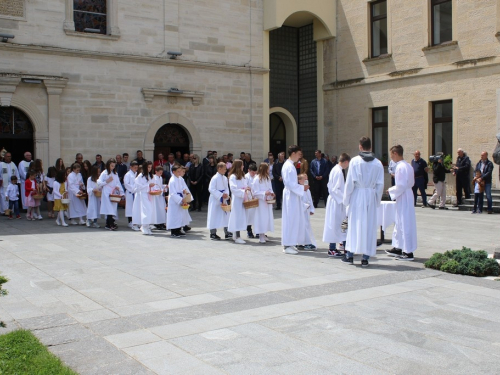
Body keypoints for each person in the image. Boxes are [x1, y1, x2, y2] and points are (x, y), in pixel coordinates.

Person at [342, 137, 384, 267]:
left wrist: (346, 200)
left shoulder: (354, 161)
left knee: (355, 224)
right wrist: (377, 200)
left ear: (360, 146)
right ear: (370, 147)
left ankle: (350, 255)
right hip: (370, 195)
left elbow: (349, 183)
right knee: (369, 226)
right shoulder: (378, 163)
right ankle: (365, 257)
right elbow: (380, 185)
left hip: (358, 194)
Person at [386, 145, 418, 261]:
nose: (391, 157)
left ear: (395, 153)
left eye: (391, 154)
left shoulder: (400, 167)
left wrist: (390, 190)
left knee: (404, 222)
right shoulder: (408, 165)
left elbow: (401, 185)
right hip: (406, 195)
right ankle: (398, 247)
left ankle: (408, 251)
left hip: (403, 195)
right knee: (399, 221)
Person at [281, 145, 308, 254]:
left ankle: (291, 243)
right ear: (293, 154)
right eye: (298, 154)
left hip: (293, 195)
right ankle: (287, 245)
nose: (299, 157)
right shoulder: (288, 166)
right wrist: (302, 188)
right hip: (290, 195)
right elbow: (290, 184)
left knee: (294, 219)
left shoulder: (291, 165)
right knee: (290, 219)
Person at [323, 153, 350, 258]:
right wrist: (344, 199)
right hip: (336, 201)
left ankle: (338, 246)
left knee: (337, 224)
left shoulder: (335, 169)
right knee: (336, 224)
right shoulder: (338, 171)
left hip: (334, 200)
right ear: (346, 162)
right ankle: (332, 248)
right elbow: (335, 189)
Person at [98, 158, 124, 230]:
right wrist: (107, 181)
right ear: (108, 165)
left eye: (114, 166)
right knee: (109, 208)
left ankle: (108, 224)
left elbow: (118, 183)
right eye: (111, 166)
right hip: (106, 192)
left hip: (113, 192)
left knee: (112, 208)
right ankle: (111, 224)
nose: (112, 167)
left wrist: (120, 191)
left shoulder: (115, 173)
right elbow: (99, 183)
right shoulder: (104, 173)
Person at [207, 162, 231, 240]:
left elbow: (227, 188)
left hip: (223, 199)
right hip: (215, 199)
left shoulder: (224, 178)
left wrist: (226, 194)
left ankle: (227, 232)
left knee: (226, 215)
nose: (225, 170)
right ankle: (213, 233)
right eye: (224, 169)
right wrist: (220, 195)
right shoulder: (214, 178)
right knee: (214, 215)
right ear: (219, 168)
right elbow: (211, 189)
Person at [228, 160, 250, 244]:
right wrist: (243, 191)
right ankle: (237, 236)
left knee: (241, 217)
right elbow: (233, 189)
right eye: (242, 165)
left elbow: (244, 185)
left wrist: (247, 188)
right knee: (237, 217)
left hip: (243, 199)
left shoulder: (242, 176)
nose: (243, 167)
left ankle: (235, 234)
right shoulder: (233, 176)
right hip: (237, 200)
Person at [251, 163, 274, 243]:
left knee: (267, 218)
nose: (268, 170)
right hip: (260, 202)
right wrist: (264, 193)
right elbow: (255, 192)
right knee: (261, 218)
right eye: (267, 169)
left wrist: (271, 193)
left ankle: (264, 233)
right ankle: (260, 235)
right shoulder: (256, 179)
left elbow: (270, 188)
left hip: (267, 201)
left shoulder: (267, 178)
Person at [167, 165, 191, 238]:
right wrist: (180, 199)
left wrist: (184, 192)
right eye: (178, 171)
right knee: (174, 215)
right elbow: (172, 193)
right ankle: (173, 231)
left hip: (180, 199)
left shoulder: (180, 179)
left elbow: (182, 188)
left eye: (180, 171)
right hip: (174, 201)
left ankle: (178, 229)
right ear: (173, 172)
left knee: (180, 215)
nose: (180, 172)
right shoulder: (172, 180)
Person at [133, 161, 155, 235]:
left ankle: (147, 225)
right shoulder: (140, 176)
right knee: (146, 210)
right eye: (148, 167)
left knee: (150, 210)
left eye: (151, 167)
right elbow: (138, 187)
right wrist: (148, 186)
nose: (150, 169)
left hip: (150, 194)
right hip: (144, 194)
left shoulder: (150, 175)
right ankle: (144, 226)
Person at [297, 173, 316, 250]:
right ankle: (304, 242)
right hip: (301, 211)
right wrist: (305, 206)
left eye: (307, 179)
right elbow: (298, 202)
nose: (306, 181)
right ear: (300, 181)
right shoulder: (298, 190)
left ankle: (304, 242)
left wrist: (311, 208)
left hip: (307, 212)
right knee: (302, 226)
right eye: (304, 180)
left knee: (307, 226)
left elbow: (310, 199)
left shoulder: (307, 190)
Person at [124, 161, 139, 230]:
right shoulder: (128, 174)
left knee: (135, 207)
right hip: (130, 193)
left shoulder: (136, 174)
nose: (136, 169)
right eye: (135, 167)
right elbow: (126, 184)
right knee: (130, 207)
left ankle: (135, 221)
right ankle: (130, 221)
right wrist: (133, 189)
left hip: (135, 192)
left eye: (137, 167)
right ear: (131, 167)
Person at [245, 163, 258, 238]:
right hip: (249, 198)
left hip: (256, 198)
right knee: (249, 216)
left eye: (255, 172)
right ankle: (249, 230)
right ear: (248, 170)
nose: (254, 174)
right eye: (252, 172)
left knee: (256, 216)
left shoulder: (256, 177)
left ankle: (258, 231)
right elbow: (245, 187)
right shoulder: (246, 177)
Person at [152, 165, 167, 230]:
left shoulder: (160, 178)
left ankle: (162, 222)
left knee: (162, 210)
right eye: (160, 172)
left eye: (161, 172)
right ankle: (157, 223)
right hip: (156, 196)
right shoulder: (154, 178)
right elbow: (154, 187)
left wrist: (165, 186)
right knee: (157, 210)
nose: (161, 174)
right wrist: (161, 190)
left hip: (160, 196)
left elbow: (160, 186)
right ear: (156, 171)